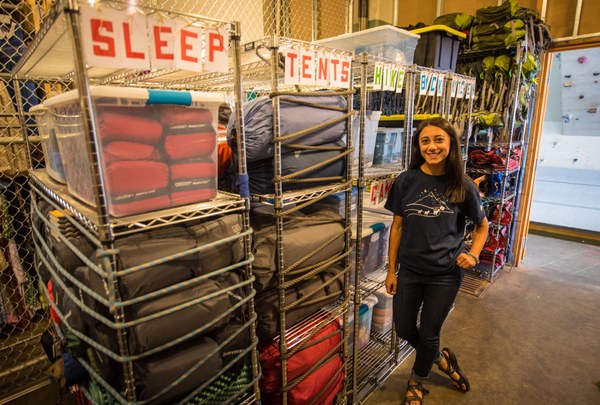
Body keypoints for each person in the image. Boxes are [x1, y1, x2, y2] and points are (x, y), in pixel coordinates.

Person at [384, 117, 489, 405]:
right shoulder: (405, 180)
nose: (432, 146)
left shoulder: (463, 185)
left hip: (445, 274)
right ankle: (440, 359)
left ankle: (417, 380)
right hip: (409, 271)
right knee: (404, 328)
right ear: (418, 146)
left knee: (430, 333)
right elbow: (397, 227)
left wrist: (473, 254)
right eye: (425, 141)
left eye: (439, 140)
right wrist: (391, 270)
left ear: (451, 144)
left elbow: (482, 226)